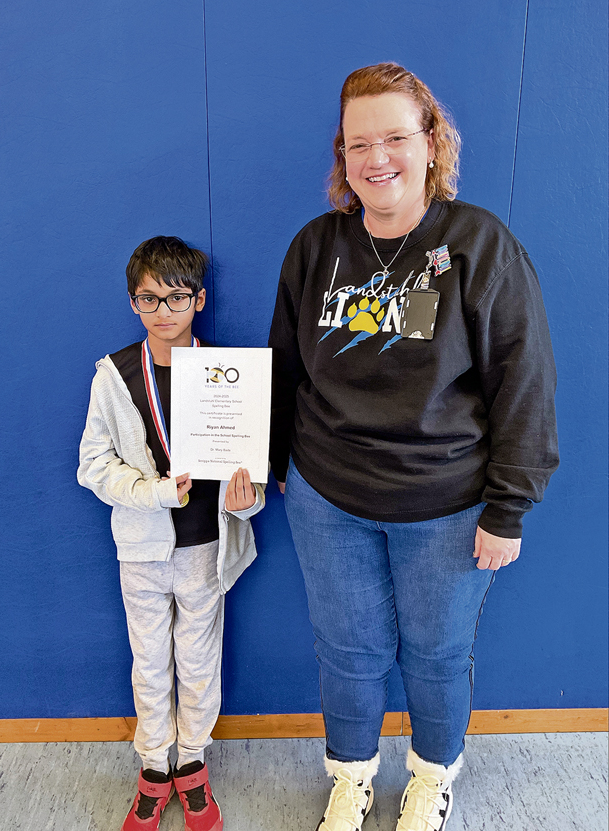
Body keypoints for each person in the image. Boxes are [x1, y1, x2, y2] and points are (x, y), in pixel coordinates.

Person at [268, 63, 558, 831]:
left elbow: (524, 383)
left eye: (395, 137)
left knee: (436, 654)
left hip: (447, 507)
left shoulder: (480, 245)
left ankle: (431, 776)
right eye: (358, 143)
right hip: (328, 499)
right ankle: (352, 776)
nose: (377, 158)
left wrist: (509, 508)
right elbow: (284, 367)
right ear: (342, 154)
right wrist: (271, 463)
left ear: (431, 142)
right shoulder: (316, 246)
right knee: (346, 650)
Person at [78, 236, 264, 831]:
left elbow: (250, 467)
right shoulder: (114, 375)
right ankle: (154, 765)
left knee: (200, 658)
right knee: (150, 660)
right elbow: (92, 466)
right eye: (149, 299)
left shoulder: (228, 373)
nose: (164, 311)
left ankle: (193, 761)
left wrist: (247, 501)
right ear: (133, 302)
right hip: (141, 546)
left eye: (177, 297)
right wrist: (154, 492)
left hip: (206, 544)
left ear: (198, 300)